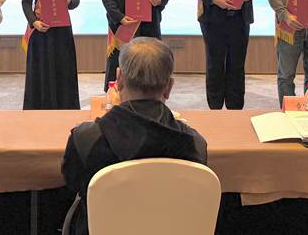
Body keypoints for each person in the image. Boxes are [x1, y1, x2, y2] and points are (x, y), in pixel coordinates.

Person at [61, 38, 207, 235]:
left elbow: (71, 184)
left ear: (119, 79)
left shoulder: (86, 139)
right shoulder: (195, 144)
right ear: (169, 87)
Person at [21, 0, 81, 110]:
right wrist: (34, 22)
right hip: (41, 30)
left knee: (63, 70)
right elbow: (26, 2)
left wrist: (69, 0)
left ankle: (65, 109)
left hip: (62, 31)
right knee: (41, 71)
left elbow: (76, 2)